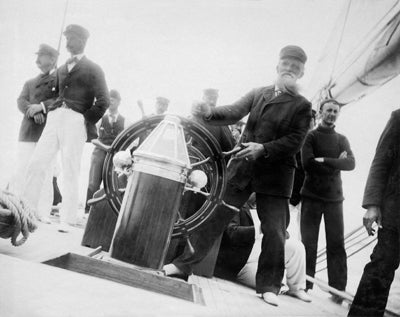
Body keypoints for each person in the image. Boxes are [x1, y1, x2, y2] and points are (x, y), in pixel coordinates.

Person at [164, 45, 312, 307]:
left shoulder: (302, 105)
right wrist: (209, 113)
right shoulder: (258, 94)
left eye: (295, 67)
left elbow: (296, 141)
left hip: (276, 176)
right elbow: (233, 112)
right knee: (214, 218)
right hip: (244, 168)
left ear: (301, 73)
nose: (289, 69)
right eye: (286, 64)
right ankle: (182, 266)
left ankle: (268, 286)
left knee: (275, 232)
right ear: (277, 66)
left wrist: (264, 149)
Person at [23, 24, 109, 233]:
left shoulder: (94, 68)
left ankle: (68, 219)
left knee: (70, 168)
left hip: (75, 120)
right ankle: (27, 210)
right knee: (37, 163)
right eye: (67, 38)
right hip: (55, 118)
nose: (68, 42)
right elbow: (58, 96)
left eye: (72, 38)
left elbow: (103, 101)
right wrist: (49, 108)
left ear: (82, 41)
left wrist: (84, 119)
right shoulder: (61, 69)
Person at [300, 99, 355, 301]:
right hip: (311, 197)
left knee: (336, 244)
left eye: (335, 111)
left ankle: (337, 291)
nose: (331, 114)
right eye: (328, 110)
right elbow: (307, 163)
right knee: (308, 243)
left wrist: (324, 160)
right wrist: (337, 164)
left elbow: (351, 163)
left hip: (334, 199)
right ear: (321, 113)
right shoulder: (311, 137)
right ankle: (303, 285)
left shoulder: (342, 139)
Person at [348, 110, 400, 317]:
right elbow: (381, 162)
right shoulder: (399, 119)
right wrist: (372, 204)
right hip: (396, 212)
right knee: (381, 268)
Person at [214, 194, 312, 303]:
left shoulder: (269, 205)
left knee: (296, 247)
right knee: (268, 282)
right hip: (244, 261)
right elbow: (231, 233)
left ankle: (296, 288)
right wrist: (260, 229)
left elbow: (278, 230)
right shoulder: (236, 202)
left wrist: (280, 232)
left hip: (266, 250)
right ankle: (277, 287)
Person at [9, 44, 58, 224]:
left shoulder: (58, 82)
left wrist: (43, 107)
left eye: (42, 56)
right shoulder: (29, 83)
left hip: (47, 133)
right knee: (21, 169)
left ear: (52, 59)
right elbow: (20, 100)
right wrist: (32, 110)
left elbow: (60, 100)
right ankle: (14, 207)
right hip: (28, 131)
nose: (37, 60)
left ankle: (42, 211)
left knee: (44, 172)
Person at [85, 89, 126, 214]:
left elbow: (129, 140)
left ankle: (105, 213)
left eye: (113, 100)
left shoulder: (125, 121)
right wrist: (105, 147)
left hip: (115, 156)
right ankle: (88, 211)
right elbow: (92, 139)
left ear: (119, 102)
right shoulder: (100, 119)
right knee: (93, 182)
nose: (110, 102)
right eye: (109, 100)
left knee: (112, 184)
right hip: (99, 153)